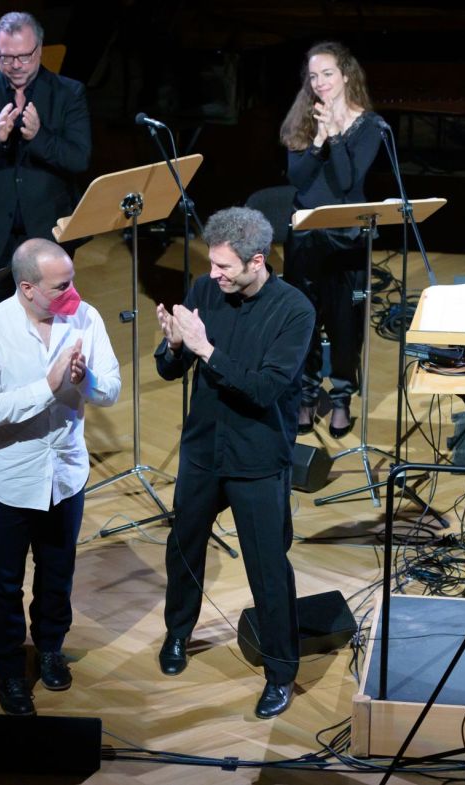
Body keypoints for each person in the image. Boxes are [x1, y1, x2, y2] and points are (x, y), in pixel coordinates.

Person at [153, 207, 315, 720]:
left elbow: (266, 388)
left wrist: (205, 349)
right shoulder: (204, 290)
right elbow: (169, 367)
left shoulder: (295, 310)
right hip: (203, 450)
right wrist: (176, 346)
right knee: (183, 551)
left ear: (257, 261)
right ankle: (178, 634)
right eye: (212, 264)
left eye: (225, 267)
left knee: (268, 570)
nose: (214, 274)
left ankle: (281, 673)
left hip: (257, 457)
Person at [0, 238, 120, 716]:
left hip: (65, 474)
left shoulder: (85, 317)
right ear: (28, 288)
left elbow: (109, 389)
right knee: (4, 583)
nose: (73, 292)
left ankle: (50, 648)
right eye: (62, 286)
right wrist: (48, 387)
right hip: (9, 479)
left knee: (57, 573)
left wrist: (84, 378)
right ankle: (9, 669)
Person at [0, 10, 92, 453]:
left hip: (46, 239)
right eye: (6, 56)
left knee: (49, 328)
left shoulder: (68, 93)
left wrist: (39, 136)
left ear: (40, 50)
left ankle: (50, 410)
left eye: (24, 56)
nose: (15, 65)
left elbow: (79, 158)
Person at [279, 41, 382, 438]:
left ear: (346, 75)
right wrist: (319, 139)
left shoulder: (370, 126)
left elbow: (345, 182)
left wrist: (337, 136)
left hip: (347, 239)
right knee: (304, 321)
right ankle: (305, 397)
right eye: (313, 75)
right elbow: (298, 180)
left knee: (344, 325)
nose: (319, 82)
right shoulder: (302, 119)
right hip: (305, 237)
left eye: (327, 74)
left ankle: (341, 400)